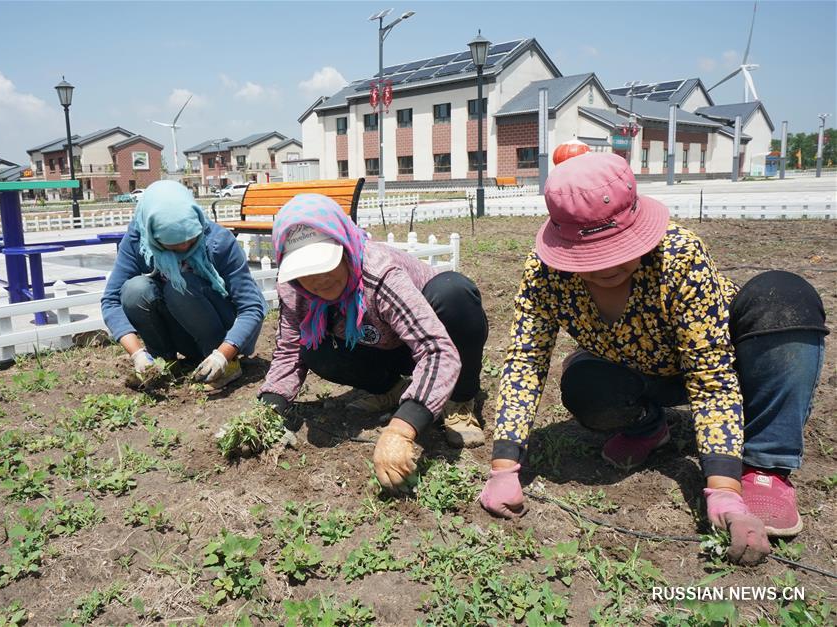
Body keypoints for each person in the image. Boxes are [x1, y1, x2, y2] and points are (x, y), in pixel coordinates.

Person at [479, 152, 827, 565]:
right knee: (585, 381)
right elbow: (525, 362)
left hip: (726, 361)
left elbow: (711, 376)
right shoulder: (544, 274)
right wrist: (503, 467)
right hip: (643, 370)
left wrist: (724, 490)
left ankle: (764, 465)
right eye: (589, 255)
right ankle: (649, 427)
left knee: (784, 297)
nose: (607, 264)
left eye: (616, 249)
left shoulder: (679, 256)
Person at [258, 193, 489, 489]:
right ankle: (391, 389)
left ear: (344, 248)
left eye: (324, 263)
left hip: (425, 337)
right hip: (376, 344)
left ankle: (458, 399)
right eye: (305, 271)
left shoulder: (376, 271)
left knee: (454, 294)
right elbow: (290, 351)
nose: (318, 279)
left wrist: (403, 429)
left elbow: (436, 349)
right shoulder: (294, 290)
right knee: (312, 348)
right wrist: (266, 413)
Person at [101, 180, 267, 389]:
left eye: (191, 241)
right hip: (181, 330)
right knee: (135, 290)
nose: (184, 248)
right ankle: (161, 362)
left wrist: (223, 355)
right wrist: (137, 353)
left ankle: (226, 364)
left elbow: (251, 307)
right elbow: (111, 301)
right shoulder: (138, 241)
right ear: (152, 235)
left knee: (180, 286)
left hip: (223, 333)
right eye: (171, 246)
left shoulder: (217, 242)